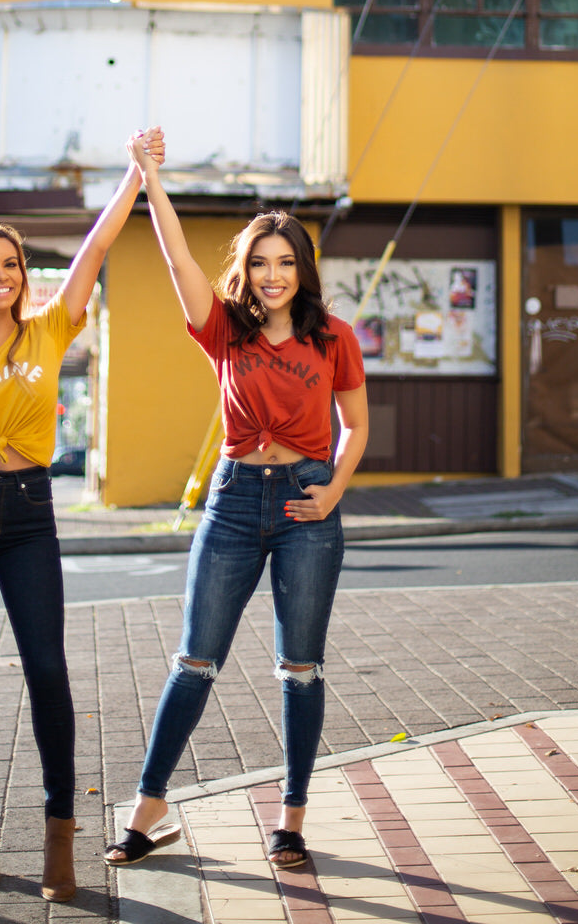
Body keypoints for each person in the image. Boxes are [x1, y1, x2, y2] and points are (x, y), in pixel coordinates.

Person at [0, 129, 163, 903]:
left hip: (27, 514)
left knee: (47, 670)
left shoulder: (49, 329)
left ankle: (59, 838)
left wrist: (134, 178)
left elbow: (92, 251)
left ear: (23, 274)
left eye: (10, 265)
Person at [106, 136, 368, 872]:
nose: (273, 274)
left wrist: (333, 492)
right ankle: (149, 811)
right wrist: (150, 180)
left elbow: (358, 426)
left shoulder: (333, 338)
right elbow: (176, 261)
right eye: (260, 261)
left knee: (300, 669)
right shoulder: (224, 329)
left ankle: (290, 819)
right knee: (194, 661)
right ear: (245, 270)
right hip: (230, 504)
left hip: (304, 506)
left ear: (302, 269)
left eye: (285, 261)